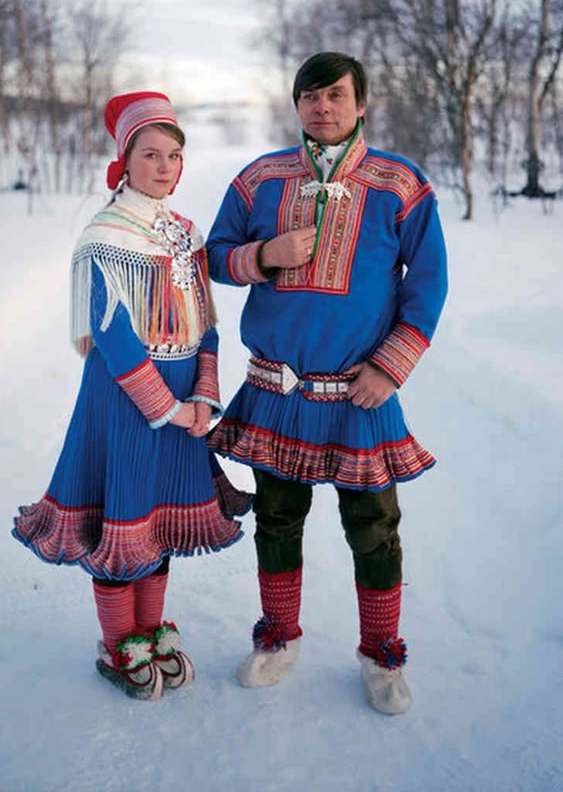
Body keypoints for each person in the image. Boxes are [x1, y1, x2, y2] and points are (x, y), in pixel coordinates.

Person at [205, 52, 448, 715]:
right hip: (278, 391)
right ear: (298, 106)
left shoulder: (401, 183)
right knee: (278, 519)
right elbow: (214, 256)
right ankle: (279, 638)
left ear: (361, 103)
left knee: (374, 527)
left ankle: (381, 655)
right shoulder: (260, 179)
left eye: (336, 95)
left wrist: (390, 365)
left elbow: (427, 286)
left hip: (359, 394)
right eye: (310, 96)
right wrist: (263, 256)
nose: (322, 107)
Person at [13, 91, 250, 702]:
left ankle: (151, 629)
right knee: (121, 516)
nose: (166, 167)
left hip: (183, 404)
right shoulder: (106, 237)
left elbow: (207, 324)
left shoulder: (185, 234)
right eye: (151, 154)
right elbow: (115, 338)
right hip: (127, 403)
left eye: (175, 155)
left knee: (158, 522)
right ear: (126, 159)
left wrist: (203, 397)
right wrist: (166, 408)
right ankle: (121, 640)